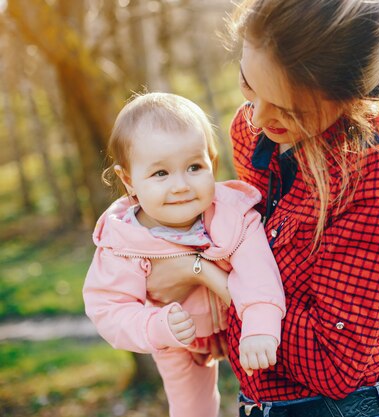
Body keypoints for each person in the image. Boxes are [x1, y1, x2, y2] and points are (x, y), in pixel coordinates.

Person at [146, 1, 379, 416]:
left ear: (351, 96)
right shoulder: (254, 134)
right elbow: (249, 251)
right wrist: (213, 319)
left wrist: (205, 277)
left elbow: (332, 364)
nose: (258, 117)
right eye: (249, 85)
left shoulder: (378, 171)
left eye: (290, 109)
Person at [83, 92, 286, 417]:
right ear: (128, 180)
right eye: (160, 174)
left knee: (272, 387)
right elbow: (107, 308)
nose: (180, 186)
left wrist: (260, 324)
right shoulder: (122, 242)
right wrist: (156, 326)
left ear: (213, 164)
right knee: (192, 409)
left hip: (240, 324)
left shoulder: (231, 214)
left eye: (194, 167)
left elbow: (258, 271)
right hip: (177, 339)